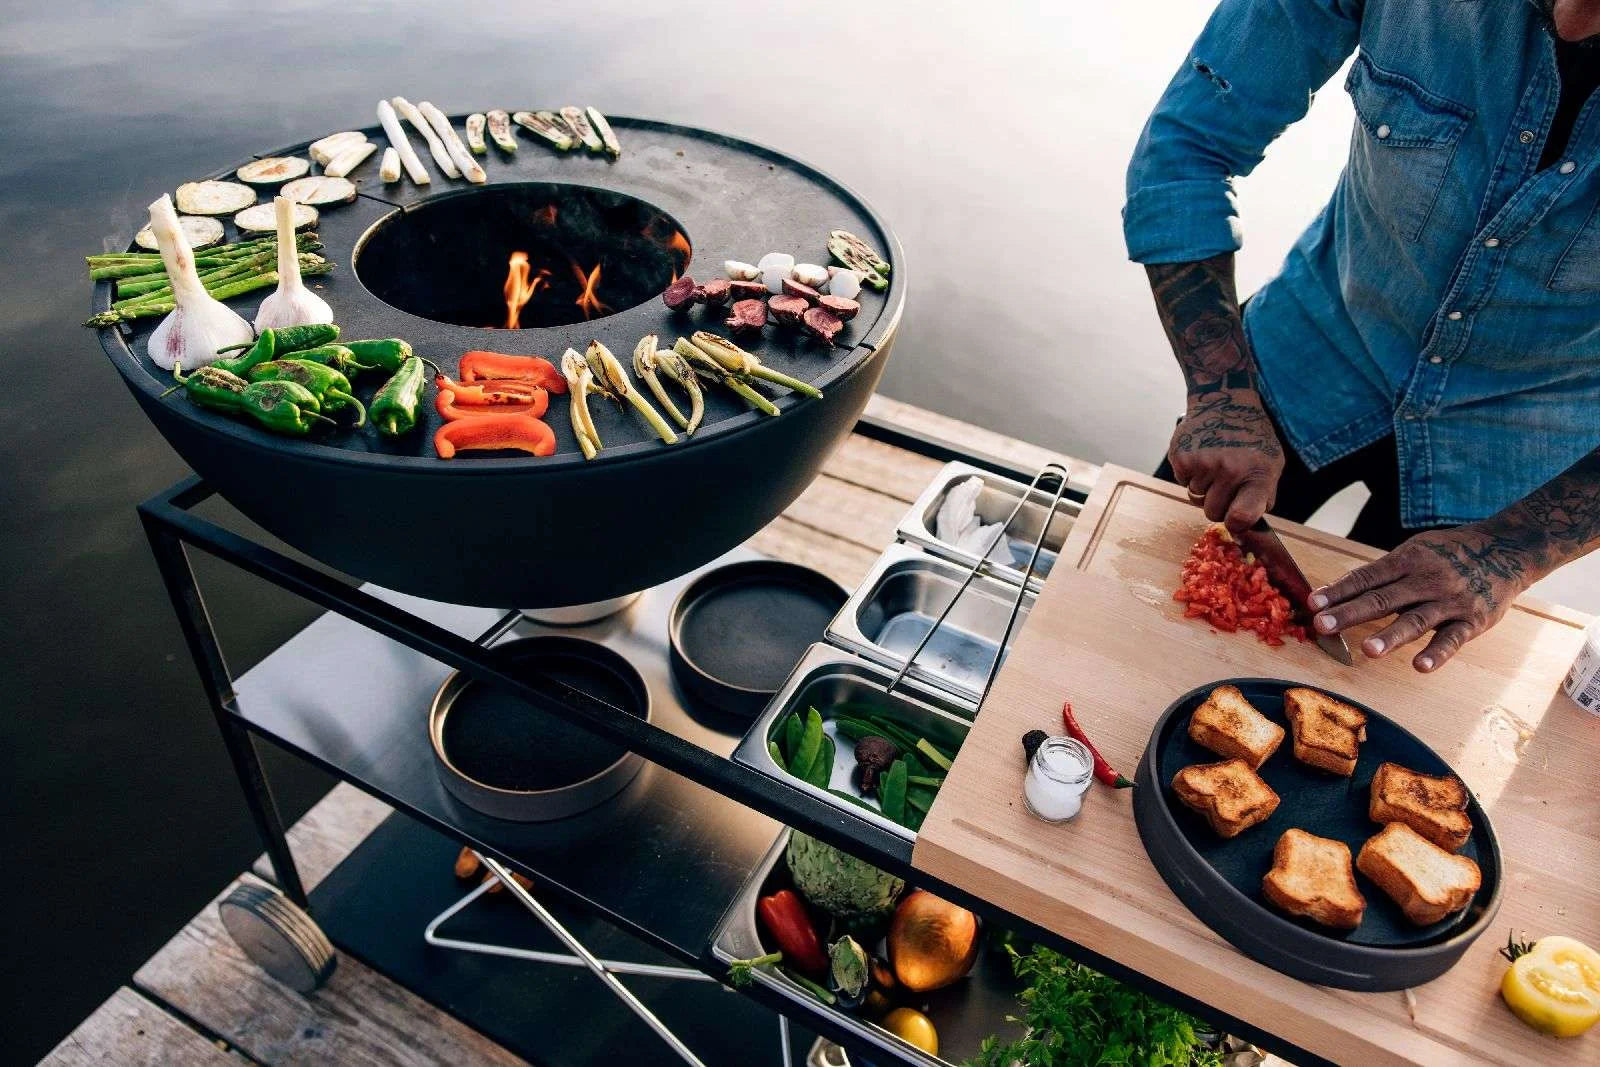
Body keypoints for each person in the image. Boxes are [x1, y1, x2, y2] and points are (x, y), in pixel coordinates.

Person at [1124, 0, 1600, 673]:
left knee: (1370, 697)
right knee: (1139, 621)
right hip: (1310, 350)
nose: (1575, 24)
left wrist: (1514, 551)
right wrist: (1219, 393)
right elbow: (1187, 149)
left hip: (1519, 457)